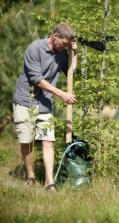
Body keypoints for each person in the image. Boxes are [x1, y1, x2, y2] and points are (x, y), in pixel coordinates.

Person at [13, 23, 77, 192]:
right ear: (55, 36)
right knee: (27, 140)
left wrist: (74, 53)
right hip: (25, 100)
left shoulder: (63, 52)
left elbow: (71, 72)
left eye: (67, 45)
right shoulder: (34, 48)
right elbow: (37, 79)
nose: (64, 46)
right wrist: (61, 94)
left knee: (48, 140)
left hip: (45, 102)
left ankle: (49, 182)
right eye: (63, 43)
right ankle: (31, 176)